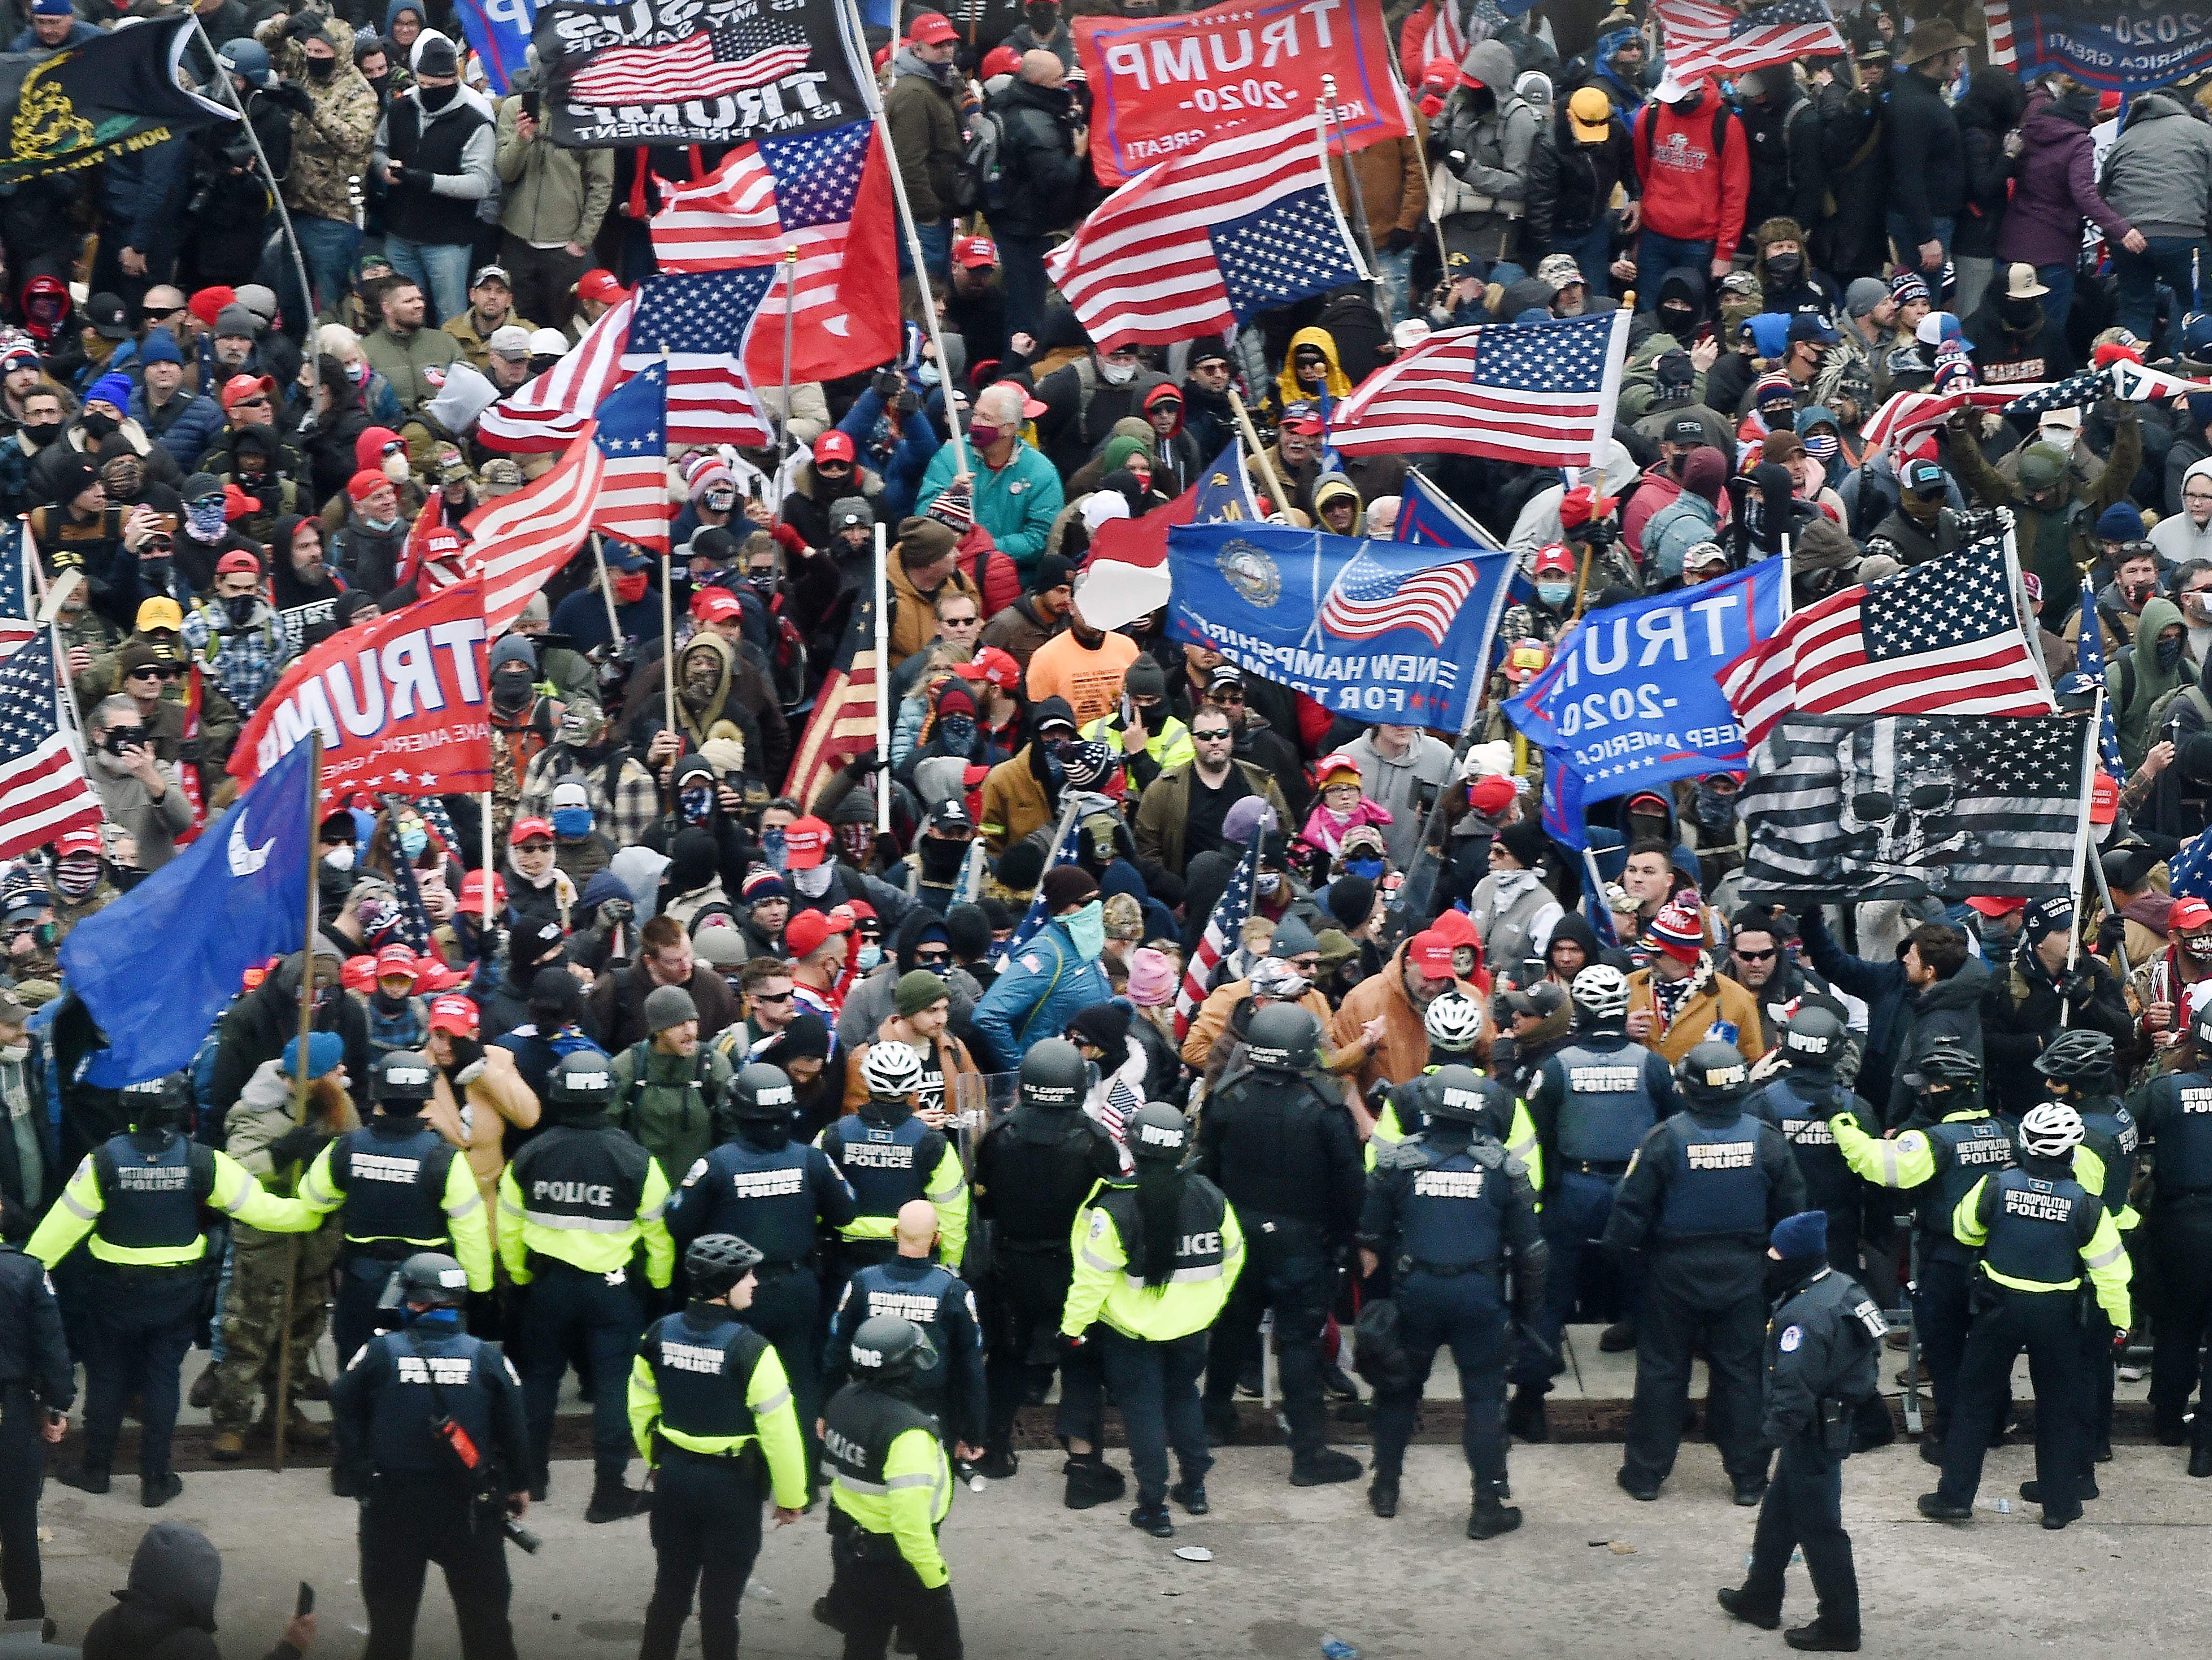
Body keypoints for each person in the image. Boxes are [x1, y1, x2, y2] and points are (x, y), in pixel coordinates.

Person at [28, 1073, 318, 1506]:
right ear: (181, 1109)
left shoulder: (103, 1161)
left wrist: (19, 1272)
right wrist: (316, 1210)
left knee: (107, 1381)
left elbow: (53, 1238)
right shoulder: (203, 1161)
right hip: (177, 1293)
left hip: (113, 1293)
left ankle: (96, 1470)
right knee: (163, 1380)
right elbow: (267, 1212)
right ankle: (156, 1480)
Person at [1604, 1039, 1807, 1504]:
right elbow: (1794, 1212)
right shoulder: (1766, 1140)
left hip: (1673, 1270)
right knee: (1741, 1375)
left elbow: (1629, 1213)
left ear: (1687, 1088)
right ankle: (1749, 1481)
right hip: (1744, 1270)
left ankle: (1644, 1477)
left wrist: (1622, 1260)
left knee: (1662, 1371)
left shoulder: (1664, 1139)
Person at [1917, 1101, 2132, 1530]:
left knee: (1974, 1403)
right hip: (2058, 1314)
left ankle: (1955, 1496)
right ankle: (2059, 1503)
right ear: (2072, 1153)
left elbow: (1966, 1230)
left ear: (2024, 1145)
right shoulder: (2088, 1206)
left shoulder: (1994, 1186)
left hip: (1998, 1307)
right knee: (2058, 1407)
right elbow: (2113, 1274)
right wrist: (2120, 1325)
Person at [1358, 1066, 1546, 1538]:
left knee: (1398, 1389)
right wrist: (1529, 1319)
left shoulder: (1398, 1163)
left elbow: (1368, 1239)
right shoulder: (1504, 1168)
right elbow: (1532, 1254)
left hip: (1415, 1291)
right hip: (1478, 1296)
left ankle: (1385, 1489)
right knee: (1484, 1399)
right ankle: (1487, 1505)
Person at [496, 1049, 674, 1522]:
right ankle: (608, 1492)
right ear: (608, 1097)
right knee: (617, 1384)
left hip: (546, 1287)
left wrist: (518, 1277)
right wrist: (657, 1287)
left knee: (538, 1380)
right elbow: (660, 1233)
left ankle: (530, 1478)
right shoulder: (636, 1158)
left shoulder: (530, 1155)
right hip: (613, 1290)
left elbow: (508, 1227)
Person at [328, 1251, 529, 1660]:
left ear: (417, 1301)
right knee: (487, 1629)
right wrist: (520, 1485)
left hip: (392, 1507)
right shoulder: (487, 1356)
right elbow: (516, 1428)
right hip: (470, 1508)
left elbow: (342, 1401)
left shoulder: (381, 1352)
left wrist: (359, 1467)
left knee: (389, 1631)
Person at [1195, 1003, 1364, 1485]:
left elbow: (1206, 1169)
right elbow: (1349, 1185)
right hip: (1301, 1243)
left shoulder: (1228, 1097)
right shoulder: (1325, 1107)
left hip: (1238, 1238)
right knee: (1298, 1344)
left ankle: (1213, 1420)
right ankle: (1307, 1453)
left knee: (1230, 1333)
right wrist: (1348, 1239)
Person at [666, 1062, 855, 1484]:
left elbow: (677, 1221)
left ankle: (746, 1473)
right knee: (799, 1380)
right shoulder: (811, 1159)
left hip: (735, 1290)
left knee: (738, 1379)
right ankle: (802, 1473)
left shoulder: (716, 1164)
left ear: (739, 1111)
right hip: (798, 1287)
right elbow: (847, 1211)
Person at [1060, 1101, 1240, 1538]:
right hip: (1191, 1329)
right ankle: (1194, 1488)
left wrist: (1073, 1328)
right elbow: (1233, 1256)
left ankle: (1153, 1507)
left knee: (1144, 1415)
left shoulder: (1116, 1208)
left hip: (1133, 1335)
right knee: (1184, 1401)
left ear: (1133, 1146)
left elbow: (1090, 1280)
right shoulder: (1210, 1196)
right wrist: (1209, 1307)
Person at [1510, 963, 1677, 1433]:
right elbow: (1675, 1128)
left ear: (1578, 1010)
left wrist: (1542, 1194)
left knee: (1549, 1293)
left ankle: (1529, 1405)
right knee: (1651, 1293)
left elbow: (1534, 1136)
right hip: (1636, 1189)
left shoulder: (1554, 1068)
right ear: (1622, 1007)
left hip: (1573, 1189)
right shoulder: (1653, 1065)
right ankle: (1664, 1407)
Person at [627, 1233, 808, 1660]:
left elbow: (640, 1407)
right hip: (731, 1489)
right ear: (724, 1287)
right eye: (748, 1276)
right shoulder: (753, 1350)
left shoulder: (658, 1334)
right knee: (721, 1607)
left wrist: (658, 1460)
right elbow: (780, 1432)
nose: (755, 1283)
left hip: (673, 1480)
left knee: (669, 1593)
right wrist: (792, 1496)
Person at [1826, 1038, 2008, 1464]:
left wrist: (1842, 1124)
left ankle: (1950, 1437)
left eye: (1926, 1087)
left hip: (1948, 1260)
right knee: (1987, 1352)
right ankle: (1994, 1426)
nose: (1920, 1093)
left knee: (1945, 1354)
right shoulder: (2003, 1131)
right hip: (1996, 1263)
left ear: (1946, 1090)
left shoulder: (1938, 1140)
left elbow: (1881, 1165)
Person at [1716, 1211, 1887, 1654]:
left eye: (1775, 1253)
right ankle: (1761, 1596)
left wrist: (1763, 1442)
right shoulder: (1844, 1287)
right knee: (1779, 1515)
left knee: (1821, 1528)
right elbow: (1873, 1347)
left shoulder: (1804, 1316)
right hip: (1831, 1417)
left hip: (1813, 1430)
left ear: (1795, 1259)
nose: (1768, 1260)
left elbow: (1794, 1392)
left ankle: (1840, 1623)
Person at [970, 1038, 1126, 1490]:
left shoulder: (999, 1137)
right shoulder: (1095, 1141)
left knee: (1006, 1359)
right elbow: (1110, 1207)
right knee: (1080, 1362)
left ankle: (994, 1449)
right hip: (1073, 1271)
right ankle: (1083, 1468)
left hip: (1013, 1266)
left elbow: (987, 1205)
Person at [300, 1049, 494, 1380]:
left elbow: (312, 1199)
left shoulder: (347, 1147)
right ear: (425, 1097)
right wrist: (479, 1289)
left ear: (379, 1093)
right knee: (425, 1372)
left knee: (357, 1367)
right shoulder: (444, 1158)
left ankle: (354, 1431)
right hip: (428, 1287)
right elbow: (471, 1230)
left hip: (362, 1280)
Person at [820, 1314, 963, 1660]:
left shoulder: (842, 1400)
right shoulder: (909, 1430)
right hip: (899, 1561)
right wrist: (935, 1578)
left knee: (862, 1646)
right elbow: (910, 1522)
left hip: (851, 1548)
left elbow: (832, 1470)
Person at [822, 1199, 986, 1464]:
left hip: (867, 1405)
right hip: (930, 1412)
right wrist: (974, 1432)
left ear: (894, 1233)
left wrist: (827, 1410)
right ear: (937, 1240)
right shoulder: (954, 1291)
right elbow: (971, 1368)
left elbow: (836, 1352)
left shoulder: (862, 1282)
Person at [2129, 1001, 2212, 1473]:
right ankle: (2205, 1447)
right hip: (2184, 1216)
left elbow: (2124, 1131)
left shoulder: (2167, 1091)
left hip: (2180, 1223)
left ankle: (2166, 1418)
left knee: (2177, 1324)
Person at [819, 1040, 969, 1283]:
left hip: (843, 1259)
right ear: (914, 1085)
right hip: (913, 1261)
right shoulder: (933, 1144)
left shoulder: (833, 1136)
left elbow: (813, 1198)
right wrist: (949, 1266)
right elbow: (953, 1212)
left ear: (866, 1080)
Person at [0, 1195, 70, 1629]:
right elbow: (51, 1350)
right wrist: (56, 1404)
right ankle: (25, 1620)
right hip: (11, 1411)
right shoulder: (25, 1272)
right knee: (18, 1520)